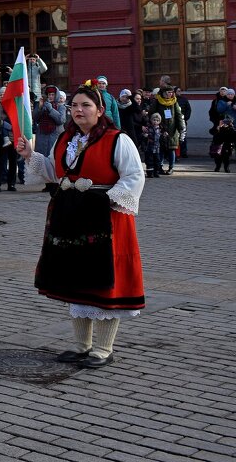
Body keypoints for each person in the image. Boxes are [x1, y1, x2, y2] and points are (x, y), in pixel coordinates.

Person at [17, 82, 145, 369]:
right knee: (76, 278)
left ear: (100, 110)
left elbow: (134, 177)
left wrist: (103, 199)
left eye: (86, 105)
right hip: (71, 217)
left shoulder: (117, 139)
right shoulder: (65, 139)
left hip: (106, 219)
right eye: (74, 105)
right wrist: (29, 155)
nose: (78, 110)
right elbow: (53, 171)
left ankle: (103, 347)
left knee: (103, 281)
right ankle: (81, 345)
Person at [150, 86, 185, 174]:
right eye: (168, 92)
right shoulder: (157, 101)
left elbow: (178, 115)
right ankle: (160, 166)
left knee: (171, 149)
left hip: (172, 129)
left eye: (171, 92)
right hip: (160, 128)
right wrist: (156, 125)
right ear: (163, 93)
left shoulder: (174, 101)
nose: (170, 94)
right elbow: (152, 113)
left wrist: (181, 128)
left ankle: (171, 167)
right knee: (161, 148)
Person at [34, 84, 67, 155]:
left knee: (53, 157)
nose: (51, 96)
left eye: (53, 95)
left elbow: (61, 120)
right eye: (49, 94)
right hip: (41, 138)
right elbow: (35, 119)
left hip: (54, 137)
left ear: (56, 95)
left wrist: (51, 109)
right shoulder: (43, 105)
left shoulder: (61, 107)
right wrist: (39, 108)